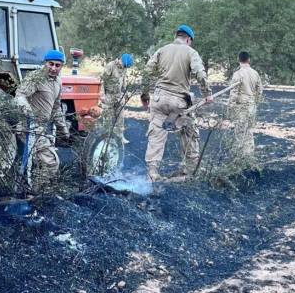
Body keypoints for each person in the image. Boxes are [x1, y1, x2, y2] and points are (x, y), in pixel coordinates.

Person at [142, 24, 212, 181]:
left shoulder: (162, 50)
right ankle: (190, 171)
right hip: (179, 103)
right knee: (189, 134)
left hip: (159, 99)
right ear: (188, 39)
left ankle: (152, 173)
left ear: (177, 36)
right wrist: (207, 94)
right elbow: (200, 73)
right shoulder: (190, 52)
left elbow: (146, 72)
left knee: (156, 134)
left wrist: (145, 95)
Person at [14, 49, 71, 191]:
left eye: (57, 65)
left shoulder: (58, 82)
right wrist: (28, 113)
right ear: (45, 63)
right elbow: (20, 95)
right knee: (51, 163)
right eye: (50, 64)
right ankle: (35, 193)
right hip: (29, 127)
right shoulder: (36, 78)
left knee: (38, 163)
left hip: (42, 128)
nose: (53, 68)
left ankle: (32, 189)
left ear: (61, 66)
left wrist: (63, 129)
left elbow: (56, 108)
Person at [225, 51, 263, 167]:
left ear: (239, 60)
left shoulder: (238, 74)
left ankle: (240, 159)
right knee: (249, 132)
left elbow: (234, 93)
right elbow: (259, 91)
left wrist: (230, 108)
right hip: (252, 106)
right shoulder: (255, 73)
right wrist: (255, 102)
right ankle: (249, 158)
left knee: (240, 133)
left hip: (241, 107)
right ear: (249, 60)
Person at [99, 53, 133, 144]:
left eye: (126, 66)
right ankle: (106, 139)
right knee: (107, 119)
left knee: (120, 118)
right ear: (121, 60)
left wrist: (125, 92)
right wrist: (102, 94)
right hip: (109, 96)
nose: (124, 67)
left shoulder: (124, 68)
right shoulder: (111, 66)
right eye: (124, 65)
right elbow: (102, 80)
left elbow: (123, 81)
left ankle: (119, 137)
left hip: (119, 96)